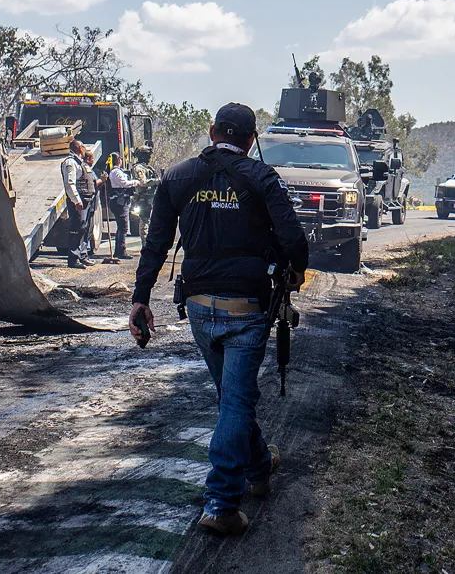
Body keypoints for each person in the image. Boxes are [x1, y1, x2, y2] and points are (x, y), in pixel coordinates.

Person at [129, 102, 308, 535]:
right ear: (251, 140)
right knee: (235, 401)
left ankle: (260, 466)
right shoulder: (263, 178)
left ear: (212, 132)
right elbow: (293, 239)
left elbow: (155, 243)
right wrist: (295, 272)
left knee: (232, 397)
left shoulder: (176, 177)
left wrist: (140, 299)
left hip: (197, 306)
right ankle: (222, 503)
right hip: (246, 310)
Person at [60, 140, 94, 269]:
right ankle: (73, 259)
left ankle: (82, 256)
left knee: (83, 228)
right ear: (79, 148)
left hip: (85, 200)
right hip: (78, 202)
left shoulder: (80, 163)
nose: (85, 149)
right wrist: (76, 200)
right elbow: (70, 184)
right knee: (76, 228)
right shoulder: (70, 162)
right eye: (83, 146)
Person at [106, 152, 140, 259]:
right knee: (123, 227)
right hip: (120, 202)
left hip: (121, 202)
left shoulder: (115, 172)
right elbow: (124, 183)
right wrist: (135, 182)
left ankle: (118, 250)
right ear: (119, 161)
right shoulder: (116, 172)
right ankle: (121, 251)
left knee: (121, 227)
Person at [83, 150, 105, 258]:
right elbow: (93, 184)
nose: (93, 161)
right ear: (88, 159)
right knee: (86, 228)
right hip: (89, 204)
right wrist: (102, 180)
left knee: (87, 227)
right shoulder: (86, 170)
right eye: (92, 159)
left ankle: (84, 252)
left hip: (91, 203)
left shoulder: (88, 170)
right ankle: (84, 252)